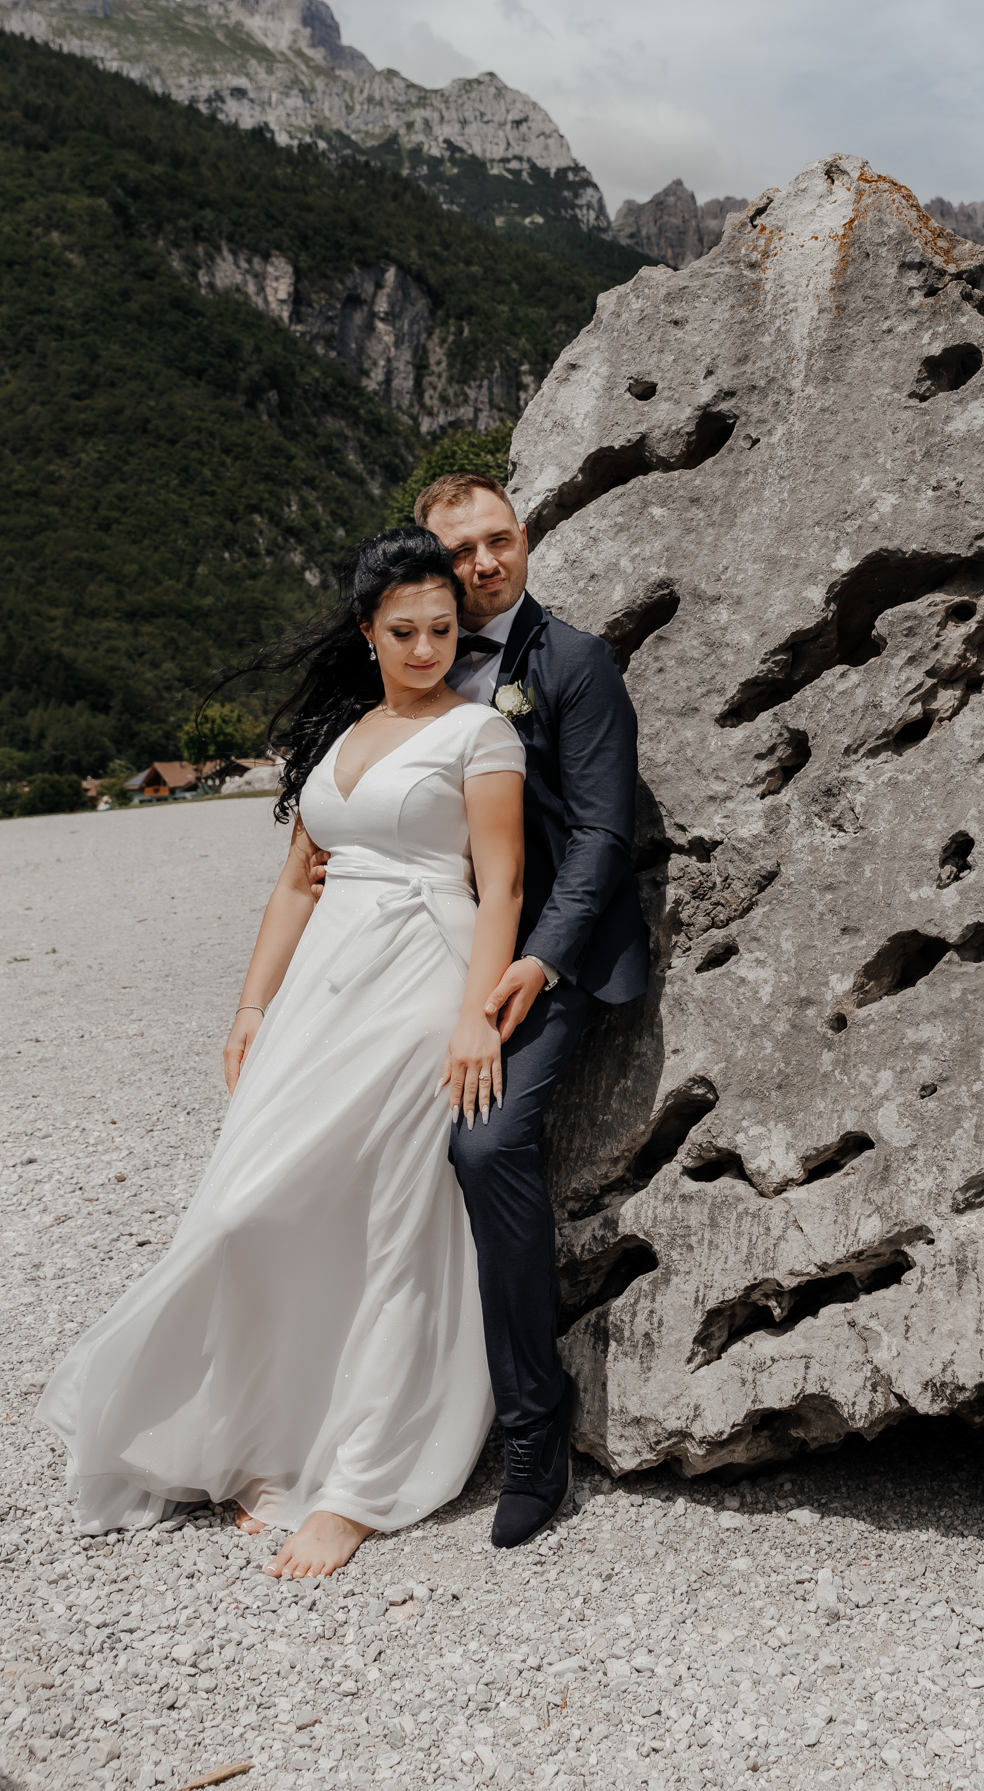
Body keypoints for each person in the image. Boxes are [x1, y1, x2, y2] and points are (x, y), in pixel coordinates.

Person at [36, 528, 527, 1577]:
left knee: (393, 1221)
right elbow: (297, 884)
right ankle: (270, 1435)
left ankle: (358, 1483)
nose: (427, 648)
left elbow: (503, 884)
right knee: (247, 1208)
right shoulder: (341, 734)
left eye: (443, 630)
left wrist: (475, 1015)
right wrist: (251, 1006)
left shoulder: (481, 734)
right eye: (405, 631)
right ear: (366, 632)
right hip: (321, 990)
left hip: (421, 982)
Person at [408, 470, 650, 1549]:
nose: (484, 563)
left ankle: (533, 1423)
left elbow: (601, 836)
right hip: (432, 946)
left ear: (524, 537)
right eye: (461, 550)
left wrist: (540, 961)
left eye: (498, 539)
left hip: (548, 956)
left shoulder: (575, 662)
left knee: (485, 1141)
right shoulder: (413, 662)